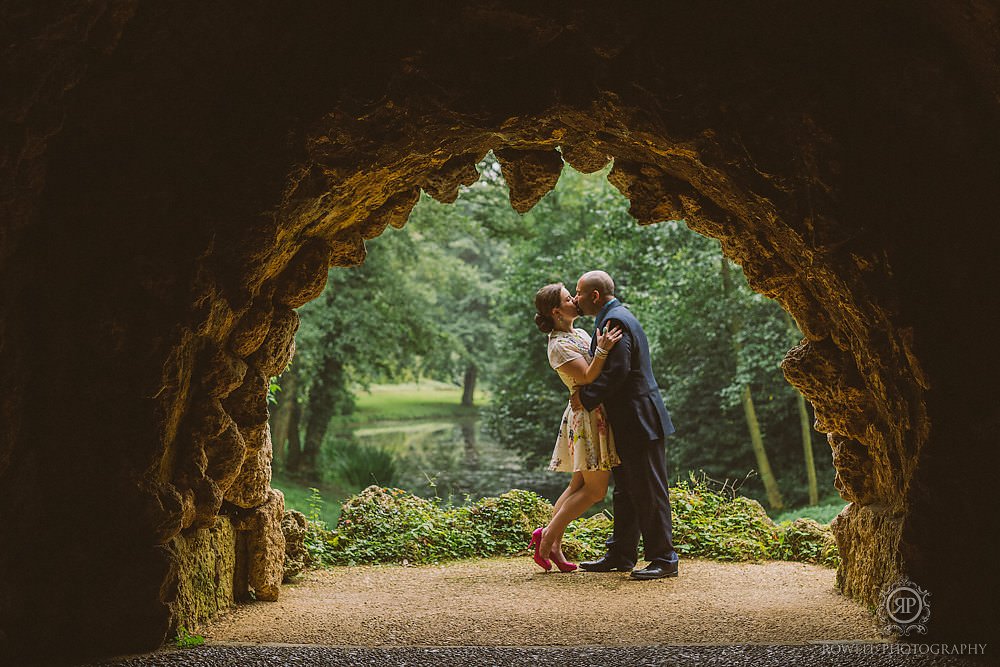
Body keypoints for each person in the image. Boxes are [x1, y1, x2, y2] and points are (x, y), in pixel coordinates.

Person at [570, 270, 680, 580]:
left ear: (594, 295)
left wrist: (586, 396)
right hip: (631, 419)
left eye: (578, 293)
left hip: (639, 419)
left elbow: (618, 371)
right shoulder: (615, 316)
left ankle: (664, 558)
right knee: (627, 489)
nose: (575, 299)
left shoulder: (614, 321)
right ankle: (621, 553)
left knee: (648, 489)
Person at [531, 282, 623, 572]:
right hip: (587, 418)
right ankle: (547, 538)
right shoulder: (558, 346)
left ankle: (551, 540)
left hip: (592, 412)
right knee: (595, 492)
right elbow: (586, 376)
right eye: (569, 298)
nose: (575, 299)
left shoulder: (580, 333)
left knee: (579, 484)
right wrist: (605, 350)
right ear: (557, 311)